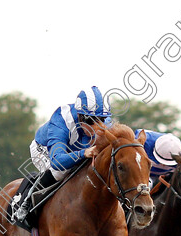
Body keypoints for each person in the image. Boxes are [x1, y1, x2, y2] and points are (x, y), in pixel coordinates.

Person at [13, 86, 110, 223]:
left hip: (74, 150)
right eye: (90, 121)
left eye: (102, 120)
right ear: (80, 116)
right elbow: (57, 162)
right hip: (45, 149)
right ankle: (26, 203)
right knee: (62, 171)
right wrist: (83, 153)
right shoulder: (61, 120)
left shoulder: (106, 124)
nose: (97, 127)